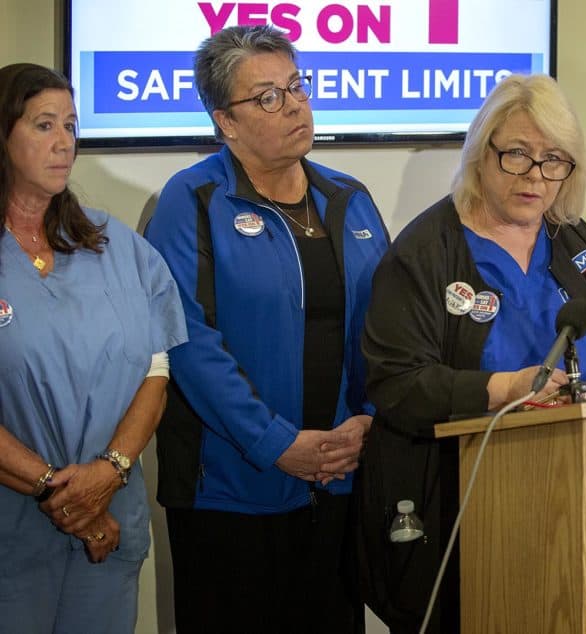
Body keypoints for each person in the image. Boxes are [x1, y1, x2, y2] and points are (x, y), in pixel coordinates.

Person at [357, 73, 586, 632]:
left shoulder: (572, 237)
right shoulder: (425, 252)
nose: (536, 177)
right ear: (480, 153)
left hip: (585, 497)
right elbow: (397, 384)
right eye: (517, 154)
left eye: (554, 160)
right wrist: (507, 389)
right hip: (465, 510)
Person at [143, 25, 389, 633]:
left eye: (297, 86)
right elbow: (189, 342)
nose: (296, 104)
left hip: (338, 481)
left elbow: (387, 328)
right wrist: (276, 444)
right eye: (269, 96)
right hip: (229, 492)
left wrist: (368, 422)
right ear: (226, 121)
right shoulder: (193, 200)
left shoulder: (348, 199)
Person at [0, 63, 187, 633]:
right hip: (16, 535)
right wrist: (67, 498)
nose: (64, 144)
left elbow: (156, 368)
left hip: (110, 521)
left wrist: (109, 472)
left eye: (72, 127)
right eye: (43, 125)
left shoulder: (114, 245)